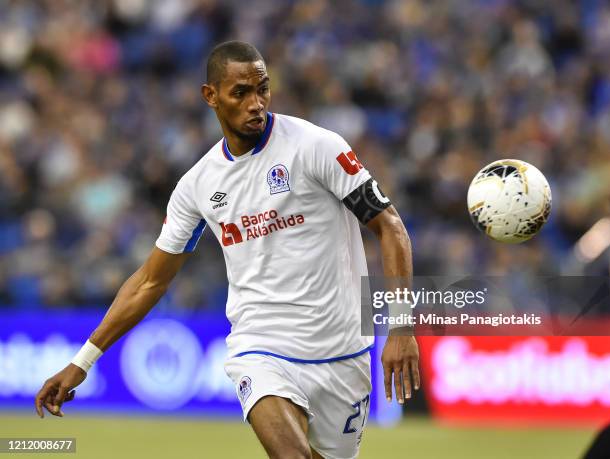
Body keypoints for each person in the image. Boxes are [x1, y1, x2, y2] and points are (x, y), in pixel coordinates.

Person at [34, 41, 420, 459]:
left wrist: (400, 327)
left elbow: (391, 228)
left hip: (344, 351)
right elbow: (150, 280)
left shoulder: (316, 147)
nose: (256, 103)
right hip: (260, 346)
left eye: (263, 90)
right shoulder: (198, 185)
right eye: (241, 93)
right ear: (210, 96)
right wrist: (83, 361)